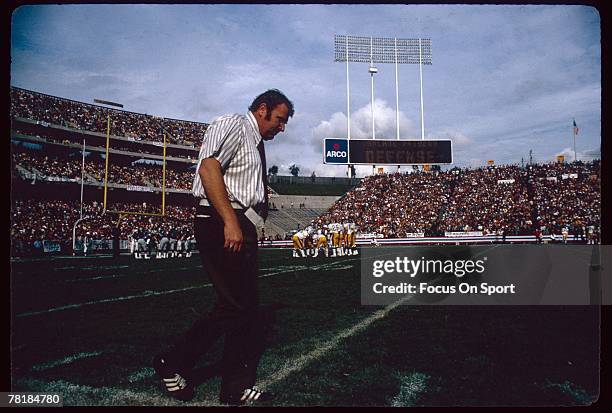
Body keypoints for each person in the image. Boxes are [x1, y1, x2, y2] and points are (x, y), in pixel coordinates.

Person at [153, 89, 294, 405]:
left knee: (243, 308)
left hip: (234, 221)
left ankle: (232, 388)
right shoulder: (234, 124)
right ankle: (172, 362)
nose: (282, 129)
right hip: (220, 219)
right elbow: (208, 168)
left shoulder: (254, 140)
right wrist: (230, 221)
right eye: (280, 120)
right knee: (236, 306)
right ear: (262, 109)